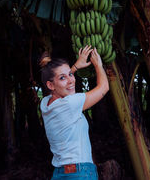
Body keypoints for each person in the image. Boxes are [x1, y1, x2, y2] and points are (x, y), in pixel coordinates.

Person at [39, 45, 109, 179]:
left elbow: (59, 85)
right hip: (80, 173)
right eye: (63, 78)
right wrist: (98, 65)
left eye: (70, 75)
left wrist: (75, 67)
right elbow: (104, 88)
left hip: (60, 173)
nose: (71, 80)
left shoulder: (46, 104)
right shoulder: (70, 104)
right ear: (50, 85)